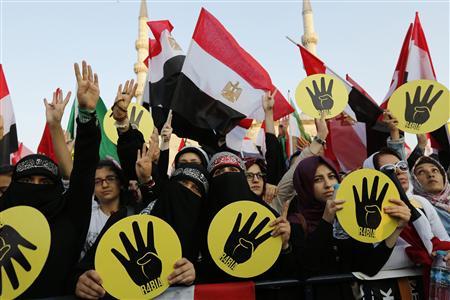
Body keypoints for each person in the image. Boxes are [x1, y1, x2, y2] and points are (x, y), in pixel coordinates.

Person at [0, 61, 101, 298]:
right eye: (28, 181)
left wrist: (86, 115)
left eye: (45, 183)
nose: (36, 187)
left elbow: (84, 172)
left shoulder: (69, 217)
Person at [290, 156, 411, 299]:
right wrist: (326, 220)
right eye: (318, 180)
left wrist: (396, 229)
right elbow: (308, 266)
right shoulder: (295, 221)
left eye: (331, 176)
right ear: (304, 185)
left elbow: (369, 267)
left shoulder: (349, 216)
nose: (328, 185)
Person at [197, 152, 297, 283]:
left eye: (233, 170)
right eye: (219, 172)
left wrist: (284, 246)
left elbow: (290, 273)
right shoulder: (200, 222)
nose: (227, 175)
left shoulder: (269, 218)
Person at [412, 156, 450, 234]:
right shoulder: (419, 211)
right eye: (421, 172)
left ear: (443, 176)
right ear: (414, 181)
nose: (430, 175)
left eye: (435, 170)